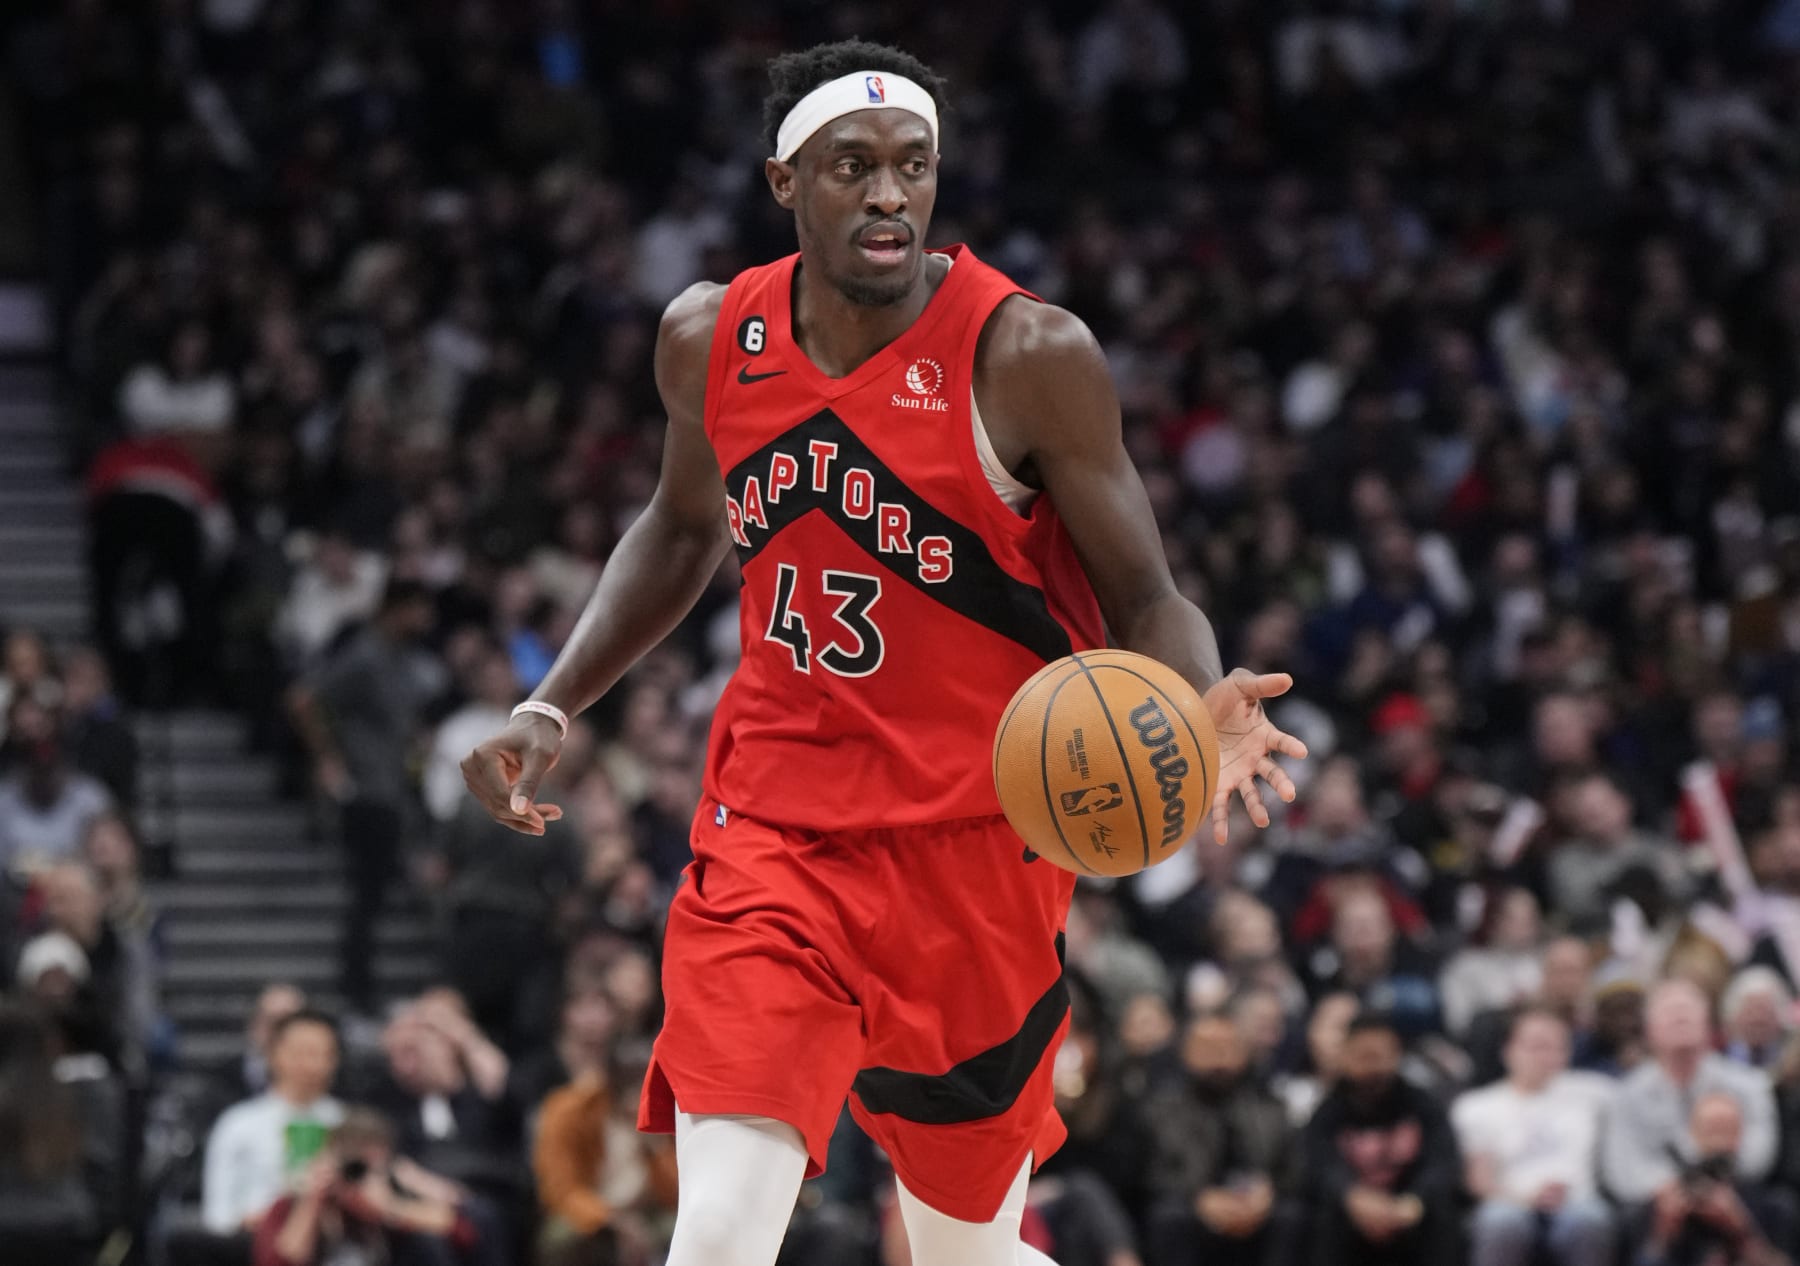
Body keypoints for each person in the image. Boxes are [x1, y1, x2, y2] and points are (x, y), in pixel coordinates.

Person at [460, 39, 1305, 1266]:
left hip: (978, 850)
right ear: (784, 182)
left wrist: (1194, 699)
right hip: (775, 832)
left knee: (964, 1253)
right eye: (852, 167)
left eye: (914, 165)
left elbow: (1149, 598)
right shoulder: (709, 337)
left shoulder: (1029, 356)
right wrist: (551, 705)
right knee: (719, 1238)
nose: (890, 194)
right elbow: (683, 525)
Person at [287, 579, 442, 1012]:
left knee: (376, 893)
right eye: (418, 609)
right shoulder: (364, 654)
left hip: (394, 788)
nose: (425, 621)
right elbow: (304, 700)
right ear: (396, 608)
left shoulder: (399, 659)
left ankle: (363, 983)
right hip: (368, 791)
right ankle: (356, 988)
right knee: (366, 892)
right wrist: (327, 758)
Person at [1286, 1012, 1462, 1266]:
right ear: (1345, 1056)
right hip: (1350, 1212)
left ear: (1397, 1056)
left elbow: (1444, 1162)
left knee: (1442, 1213)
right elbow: (1317, 1166)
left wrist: (1414, 1201)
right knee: (1318, 1216)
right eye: (1364, 1056)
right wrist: (1352, 1196)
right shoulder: (1326, 1113)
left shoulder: (1424, 1105)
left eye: (1381, 1056)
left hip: (1409, 1207)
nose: (1373, 1067)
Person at [1451, 1007, 1617, 1266]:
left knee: (1590, 1220)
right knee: (1501, 1222)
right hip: (1510, 1200)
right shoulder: (1477, 1106)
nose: (1546, 1056)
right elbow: (1478, 1181)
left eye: (1557, 1047)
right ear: (1508, 1049)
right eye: (1537, 1046)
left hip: (1577, 1201)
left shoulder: (1596, 1092)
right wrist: (1525, 1199)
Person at [1601, 980, 1778, 1209]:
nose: (1679, 1015)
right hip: (1657, 1204)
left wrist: (1711, 1182)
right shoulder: (1627, 1095)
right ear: (1649, 1030)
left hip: (1736, 1192)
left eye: (1688, 1010)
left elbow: (1758, 1153)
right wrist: (1676, 1187)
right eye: (1669, 1011)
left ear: (1708, 1024)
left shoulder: (1749, 1085)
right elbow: (1622, 1169)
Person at [1141, 1012, 1293, 1266]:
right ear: (1186, 1053)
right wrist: (1199, 1198)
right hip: (1194, 1206)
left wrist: (1268, 1192)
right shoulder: (1161, 1110)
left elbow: (1292, 1168)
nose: (1219, 1059)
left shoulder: (1268, 1105)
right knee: (1168, 1216)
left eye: (1228, 1048)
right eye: (1208, 1049)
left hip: (1256, 1206)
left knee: (1292, 1216)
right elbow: (1152, 1174)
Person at [251, 1108, 475, 1266]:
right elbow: (276, 1261)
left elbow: (462, 1234)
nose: (362, 1177)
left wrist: (388, 1209)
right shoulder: (289, 1205)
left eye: (374, 1168)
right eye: (357, 1167)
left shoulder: (385, 1203)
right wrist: (313, 1200)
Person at [202, 1009, 346, 1235]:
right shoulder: (238, 1123)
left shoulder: (345, 1122)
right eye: (303, 1053)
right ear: (273, 1054)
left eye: (323, 1054)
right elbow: (217, 1217)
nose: (312, 1065)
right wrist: (266, 1220)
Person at [1632, 1092, 1794, 1266]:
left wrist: (1741, 1229)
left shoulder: (1775, 1206)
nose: (1718, 1140)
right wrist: (1663, 1234)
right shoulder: (1661, 1206)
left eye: (1726, 1129)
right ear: (1692, 1134)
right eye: (1711, 1129)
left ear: (1740, 1134)